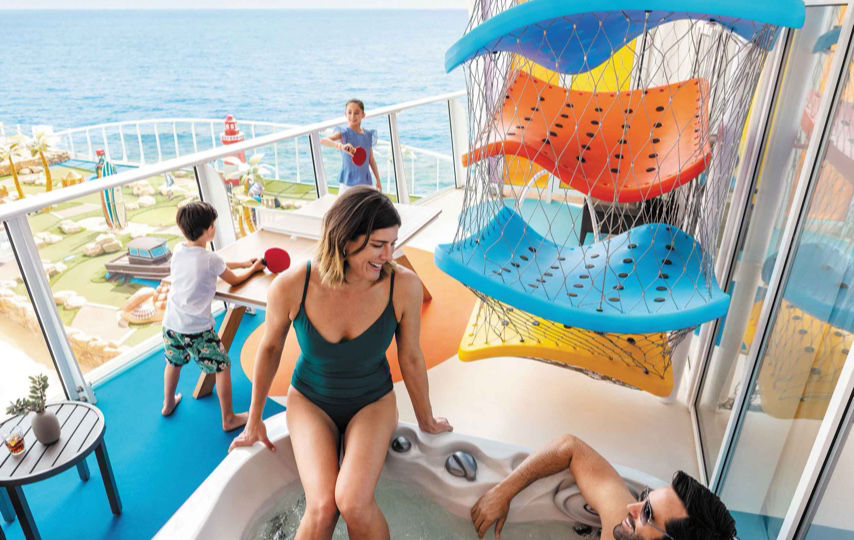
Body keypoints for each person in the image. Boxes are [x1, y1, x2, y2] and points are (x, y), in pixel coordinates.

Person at [229, 186, 451, 539]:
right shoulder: (292, 285)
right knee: (321, 508)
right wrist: (253, 420)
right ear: (346, 239)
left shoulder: (403, 286)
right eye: (378, 245)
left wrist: (426, 417)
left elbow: (410, 356)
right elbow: (269, 349)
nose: (388, 255)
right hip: (310, 402)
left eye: (393, 243)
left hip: (372, 401)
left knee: (353, 502)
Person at [471, 434, 737, 540]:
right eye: (645, 497)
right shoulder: (619, 526)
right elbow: (570, 448)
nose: (631, 506)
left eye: (647, 513)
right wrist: (502, 492)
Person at [161, 201, 265, 431]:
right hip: (196, 329)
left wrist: (242, 263)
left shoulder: (179, 250)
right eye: (213, 225)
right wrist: (253, 269)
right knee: (222, 366)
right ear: (209, 231)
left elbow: (216, 264)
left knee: (173, 362)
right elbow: (234, 280)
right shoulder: (210, 260)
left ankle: (168, 404)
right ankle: (229, 419)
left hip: (171, 324)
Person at [320, 99, 382, 193]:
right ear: (345, 114)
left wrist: (378, 180)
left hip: (365, 182)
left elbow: (371, 160)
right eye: (349, 112)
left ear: (363, 115)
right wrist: (340, 146)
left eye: (356, 113)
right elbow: (324, 141)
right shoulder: (344, 133)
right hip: (347, 183)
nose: (352, 116)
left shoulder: (368, 135)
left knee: (365, 207)